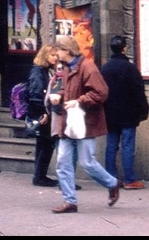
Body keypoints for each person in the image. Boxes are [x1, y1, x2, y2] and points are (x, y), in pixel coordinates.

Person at [48, 35, 121, 214]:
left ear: (66, 51)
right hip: (69, 121)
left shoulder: (88, 67)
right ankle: (70, 201)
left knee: (87, 162)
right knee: (63, 162)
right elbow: (68, 88)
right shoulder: (66, 67)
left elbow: (101, 92)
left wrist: (78, 101)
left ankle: (112, 184)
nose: (56, 54)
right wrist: (61, 95)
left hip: (85, 122)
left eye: (58, 50)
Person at [100, 35, 147, 190]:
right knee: (127, 146)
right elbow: (138, 91)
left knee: (111, 145)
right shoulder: (130, 68)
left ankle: (110, 179)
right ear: (125, 48)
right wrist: (143, 110)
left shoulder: (105, 68)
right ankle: (129, 179)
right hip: (128, 113)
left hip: (110, 113)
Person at [28, 43, 59, 187]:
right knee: (46, 143)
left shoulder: (47, 71)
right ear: (45, 55)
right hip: (42, 112)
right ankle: (40, 176)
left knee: (43, 143)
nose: (55, 58)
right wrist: (42, 113)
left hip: (45, 111)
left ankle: (39, 175)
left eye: (56, 55)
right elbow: (36, 94)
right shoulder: (39, 72)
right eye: (52, 55)